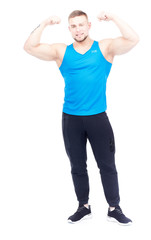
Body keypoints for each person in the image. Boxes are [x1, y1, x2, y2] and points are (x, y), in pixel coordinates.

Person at [24, 10, 139, 225]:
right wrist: (44, 23)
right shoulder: (61, 51)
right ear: (70, 29)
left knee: (107, 165)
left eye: (81, 25)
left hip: (98, 118)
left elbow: (133, 39)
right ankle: (83, 206)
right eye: (74, 26)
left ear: (88, 26)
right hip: (71, 119)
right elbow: (29, 47)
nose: (78, 29)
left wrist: (113, 17)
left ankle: (114, 207)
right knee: (77, 165)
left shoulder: (104, 48)